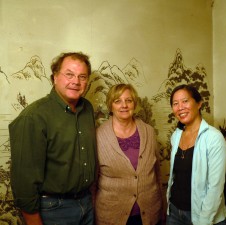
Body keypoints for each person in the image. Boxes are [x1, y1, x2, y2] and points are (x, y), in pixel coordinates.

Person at [9, 52, 97, 225]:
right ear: (55, 77)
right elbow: (24, 180)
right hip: (53, 209)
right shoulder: (34, 117)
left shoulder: (87, 108)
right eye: (69, 74)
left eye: (82, 76)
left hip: (86, 204)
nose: (76, 81)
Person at [95, 83, 163, 225]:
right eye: (117, 101)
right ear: (110, 105)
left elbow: (157, 172)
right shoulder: (98, 136)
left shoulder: (149, 132)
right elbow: (93, 181)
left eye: (128, 100)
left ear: (134, 104)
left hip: (149, 214)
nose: (124, 105)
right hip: (112, 216)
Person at [166, 84, 226, 225]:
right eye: (175, 104)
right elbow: (175, 176)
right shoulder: (176, 135)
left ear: (199, 103)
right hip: (175, 212)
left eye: (185, 101)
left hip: (204, 216)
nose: (180, 107)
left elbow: (215, 187)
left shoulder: (214, 138)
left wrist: (204, 221)